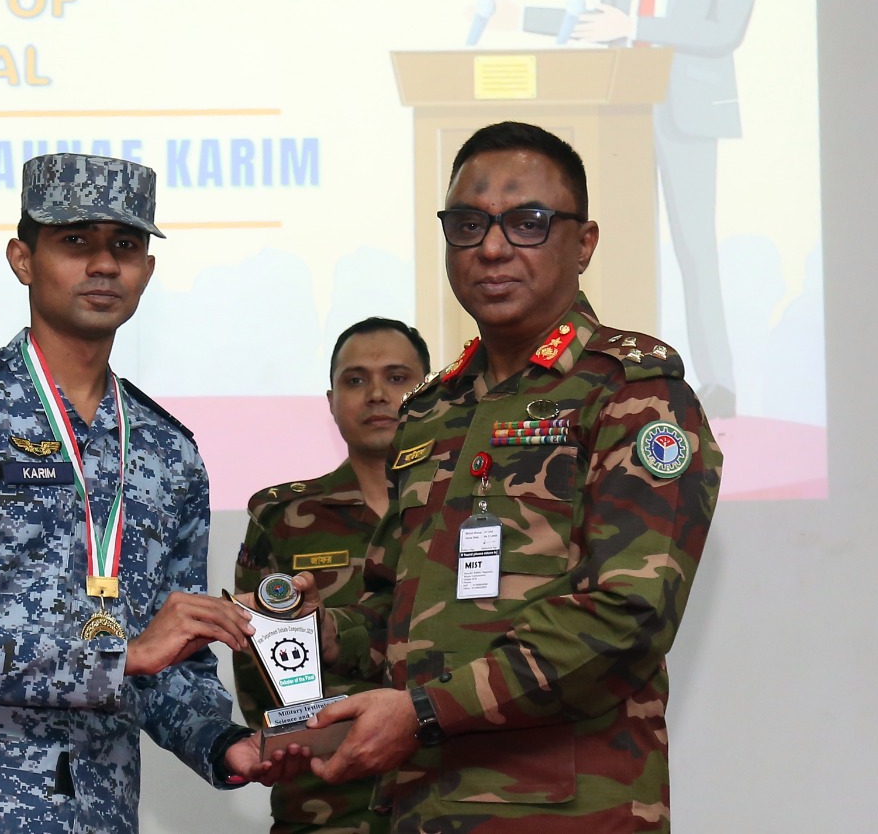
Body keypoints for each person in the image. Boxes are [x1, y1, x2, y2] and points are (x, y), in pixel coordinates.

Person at [298, 121, 721, 831]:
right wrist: (320, 631)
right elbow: (399, 617)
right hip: (422, 808)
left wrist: (425, 710)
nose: (492, 248)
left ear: (583, 243)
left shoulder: (634, 393)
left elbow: (627, 615)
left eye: (528, 222)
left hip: (565, 813)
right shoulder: (431, 411)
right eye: (468, 225)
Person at [0, 153, 293, 834]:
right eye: (75, 242)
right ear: (22, 260)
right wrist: (117, 657)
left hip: (102, 814)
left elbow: (168, 664)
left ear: (146, 271)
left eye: (124, 246)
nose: (103, 265)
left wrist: (224, 742)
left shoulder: (169, 452)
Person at [512, 0, 754, 417]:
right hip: (623, 110)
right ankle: (620, 381)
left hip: (686, 110)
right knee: (612, 249)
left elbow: (724, 29)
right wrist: (524, 17)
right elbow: (607, 19)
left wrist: (638, 27)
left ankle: (718, 383)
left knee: (694, 247)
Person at [233, 317, 432, 834]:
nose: (377, 395)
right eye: (355, 380)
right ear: (331, 401)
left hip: (451, 793)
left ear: (430, 393)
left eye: (397, 377)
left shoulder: (468, 508)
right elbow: (259, 672)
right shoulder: (283, 516)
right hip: (327, 801)